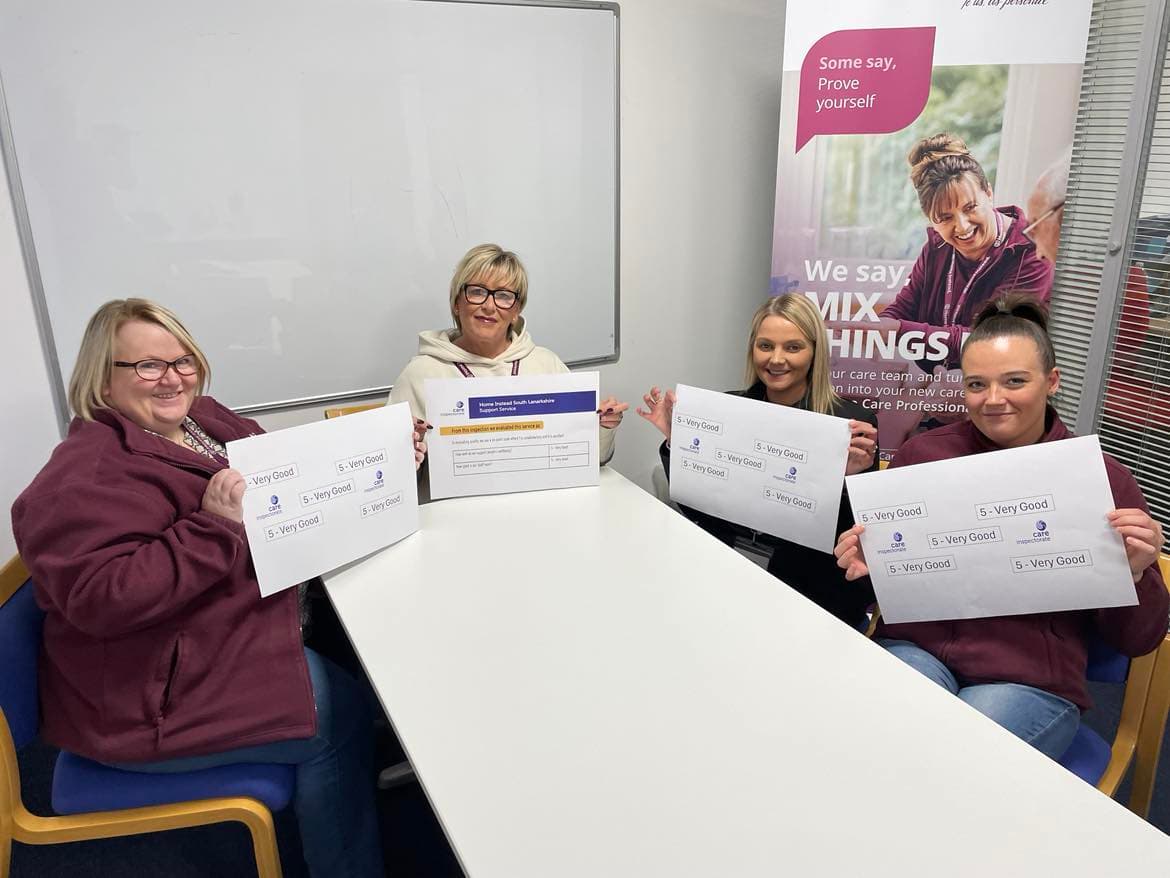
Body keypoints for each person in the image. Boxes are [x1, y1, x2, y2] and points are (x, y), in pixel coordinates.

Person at [11, 299, 423, 877]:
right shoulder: (80, 479)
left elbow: (285, 473)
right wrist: (212, 527)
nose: (173, 378)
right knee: (339, 716)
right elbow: (102, 600)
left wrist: (380, 461)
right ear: (103, 380)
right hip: (149, 698)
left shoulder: (201, 420)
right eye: (147, 366)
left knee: (372, 645)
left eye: (183, 361)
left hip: (216, 631)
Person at [834, 294, 1168, 759]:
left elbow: (1138, 640)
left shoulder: (1100, 479)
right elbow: (878, 589)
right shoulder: (922, 455)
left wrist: (1134, 572)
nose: (993, 400)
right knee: (874, 735)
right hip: (918, 650)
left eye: (1015, 381)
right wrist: (869, 564)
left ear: (1052, 381)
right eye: (977, 384)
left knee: (958, 759)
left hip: (1029, 679)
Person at [637, 294, 880, 628]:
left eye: (793, 347)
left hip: (811, 592)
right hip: (727, 572)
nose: (776, 359)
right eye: (766, 346)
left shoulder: (850, 424)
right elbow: (699, 511)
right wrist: (677, 443)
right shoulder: (727, 409)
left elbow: (852, 542)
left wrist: (848, 478)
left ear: (814, 352)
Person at [390, 243, 627, 466]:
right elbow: (395, 472)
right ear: (457, 303)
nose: (489, 306)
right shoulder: (420, 374)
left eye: (503, 295)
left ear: (516, 310)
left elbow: (590, 457)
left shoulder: (547, 365)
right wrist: (405, 456)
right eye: (477, 291)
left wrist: (603, 427)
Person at [882, 133, 1054, 371]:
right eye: (945, 218)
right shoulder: (936, 247)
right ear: (930, 219)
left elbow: (991, 339)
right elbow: (903, 308)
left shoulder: (1030, 252)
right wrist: (877, 327)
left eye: (970, 207)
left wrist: (899, 331)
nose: (962, 226)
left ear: (989, 193)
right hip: (935, 382)